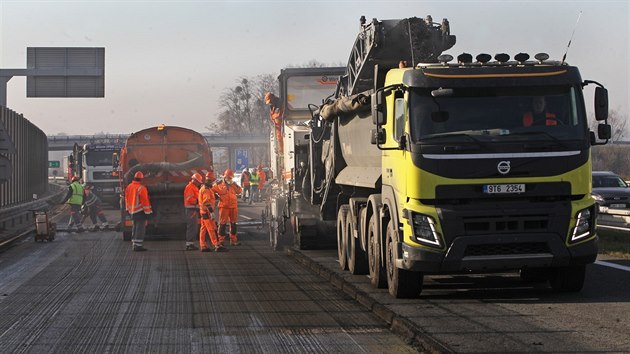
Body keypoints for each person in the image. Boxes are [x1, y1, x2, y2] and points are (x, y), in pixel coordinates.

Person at [212, 168, 243, 246]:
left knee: (233, 224)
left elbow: (239, 191)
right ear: (224, 177)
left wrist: (233, 184)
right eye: (228, 177)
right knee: (222, 224)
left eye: (230, 178)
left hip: (233, 206)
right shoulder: (218, 184)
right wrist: (216, 197)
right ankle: (221, 240)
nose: (229, 179)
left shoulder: (233, 184)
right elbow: (211, 190)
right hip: (224, 207)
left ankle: (233, 240)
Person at [199, 171, 227, 252]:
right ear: (210, 180)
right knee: (211, 228)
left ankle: (203, 245)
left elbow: (210, 197)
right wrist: (211, 212)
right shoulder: (206, 190)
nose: (213, 182)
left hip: (203, 211)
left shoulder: (206, 188)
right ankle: (217, 245)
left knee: (203, 229)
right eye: (213, 181)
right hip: (206, 212)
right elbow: (206, 202)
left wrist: (216, 197)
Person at [125, 171, 153, 252]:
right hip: (140, 211)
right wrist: (148, 213)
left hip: (132, 211)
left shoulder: (129, 187)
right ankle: (138, 245)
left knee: (135, 227)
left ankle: (134, 243)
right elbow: (145, 201)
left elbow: (126, 199)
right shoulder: (141, 188)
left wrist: (128, 209)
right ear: (141, 179)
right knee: (140, 228)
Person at [183, 173, 203, 251]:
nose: (198, 183)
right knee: (192, 227)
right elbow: (189, 199)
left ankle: (190, 243)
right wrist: (198, 201)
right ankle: (189, 244)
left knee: (194, 227)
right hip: (191, 210)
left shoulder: (193, 187)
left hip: (193, 210)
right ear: (194, 180)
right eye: (198, 181)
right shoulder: (190, 187)